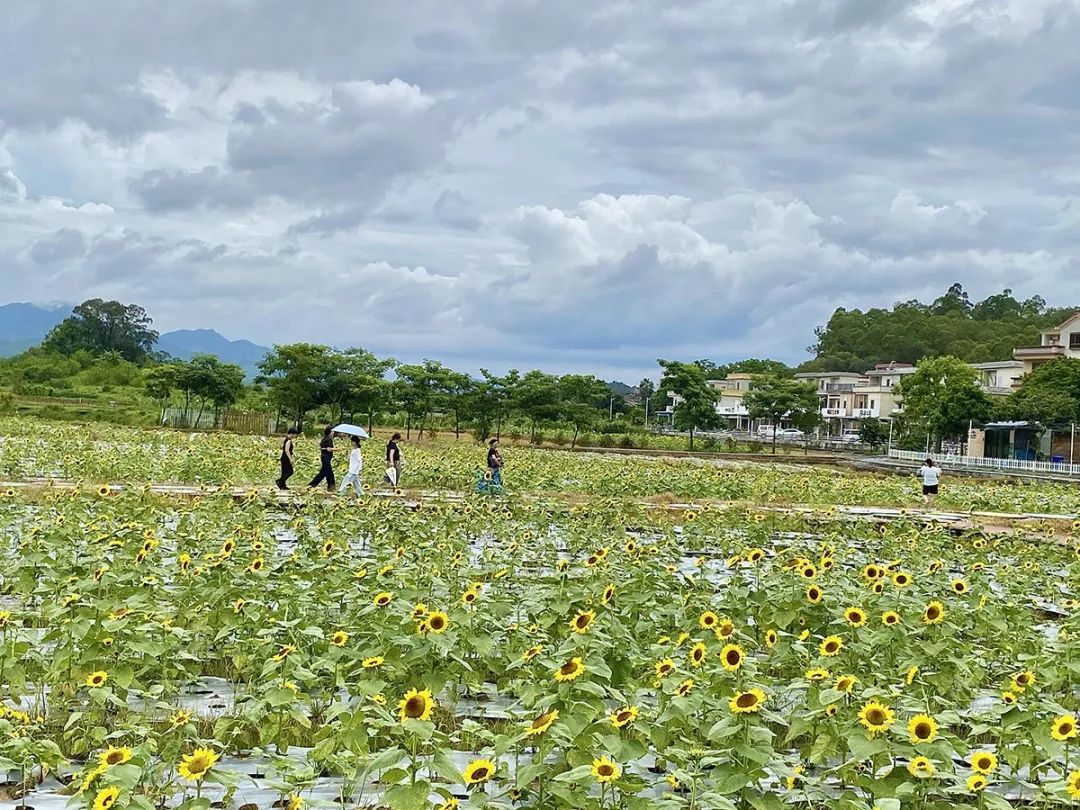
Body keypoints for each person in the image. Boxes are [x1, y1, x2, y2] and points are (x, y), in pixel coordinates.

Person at [308, 425, 336, 491]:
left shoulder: (324, 438)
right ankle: (331, 486)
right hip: (326, 457)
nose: (333, 433)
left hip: (324, 457)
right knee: (329, 472)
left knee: (324, 472)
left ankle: (312, 485)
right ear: (329, 432)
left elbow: (322, 447)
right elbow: (329, 449)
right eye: (332, 431)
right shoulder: (328, 439)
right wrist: (339, 449)